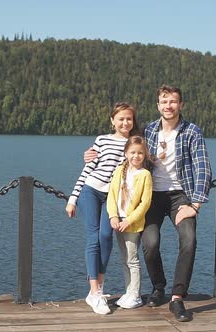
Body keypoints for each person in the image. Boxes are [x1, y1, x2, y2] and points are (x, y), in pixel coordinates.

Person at [84, 85, 212, 322]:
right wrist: (93, 153)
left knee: (189, 239)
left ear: (180, 105)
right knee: (150, 244)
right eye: (164, 102)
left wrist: (194, 204)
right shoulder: (149, 130)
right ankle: (158, 287)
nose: (169, 106)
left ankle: (177, 297)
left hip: (180, 196)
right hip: (152, 195)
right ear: (158, 105)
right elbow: (125, 143)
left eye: (173, 101)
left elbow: (203, 168)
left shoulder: (192, 132)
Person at [66, 102, 140, 315]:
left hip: (113, 197)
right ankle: (95, 291)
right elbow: (87, 169)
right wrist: (73, 198)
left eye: (129, 118)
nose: (125, 122)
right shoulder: (102, 140)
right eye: (121, 118)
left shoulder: (134, 144)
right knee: (93, 237)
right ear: (112, 121)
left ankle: (98, 287)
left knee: (106, 236)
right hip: (91, 191)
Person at [106, 136, 153, 309]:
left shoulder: (145, 175)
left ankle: (136, 294)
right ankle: (128, 290)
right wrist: (113, 216)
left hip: (132, 224)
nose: (136, 156)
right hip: (118, 222)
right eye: (132, 152)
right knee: (123, 258)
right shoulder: (120, 170)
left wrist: (129, 220)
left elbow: (145, 203)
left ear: (145, 155)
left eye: (140, 153)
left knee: (132, 259)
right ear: (126, 153)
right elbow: (112, 194)